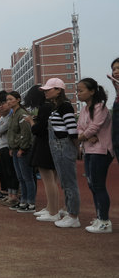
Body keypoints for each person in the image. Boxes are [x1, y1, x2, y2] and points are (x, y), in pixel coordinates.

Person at [41, 78, 81, 228]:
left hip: (64, 147)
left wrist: (77, 149)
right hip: (58, 148)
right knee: (65, 182)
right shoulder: (57, 107)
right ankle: (68, 210)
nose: (46, 92)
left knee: (69, 183)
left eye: (49, 89)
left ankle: (73, 215)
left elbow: (72, 130)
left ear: (59, 90)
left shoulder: (65, 106)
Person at [76, 78, 113, 233]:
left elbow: (94, 127)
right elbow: (79, 128)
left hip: (101, 150)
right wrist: (84, 135)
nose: (78, 94)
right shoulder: (84, 110)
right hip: (89, 150)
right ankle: (99, 217)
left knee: (98, 185)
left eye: (81, 90)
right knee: (92, 185)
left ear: (92, 91)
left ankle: (105, 221)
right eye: (77, 91)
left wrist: (82, 136)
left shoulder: (101, 107)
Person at [23, 86, 61, 222]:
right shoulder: (51, 106)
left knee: (49, 181)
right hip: (51, 145)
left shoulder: (45, 107)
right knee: (52, 180)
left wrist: (31, 121)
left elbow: (39, 129)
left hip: (44, 146)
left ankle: (53, 212)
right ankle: (51, 208)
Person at [6, 91, 36, 213]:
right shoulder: (13, 115)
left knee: (27, 177)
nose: (8, 101)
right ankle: (23, 201)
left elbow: (26, 132)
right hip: (15, 149)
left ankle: (31, 203)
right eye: (7, 99)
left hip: (23, 150)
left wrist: (22, 148)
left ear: (18, 99)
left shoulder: (22, 114)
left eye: (11, 99)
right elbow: (12, 133)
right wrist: (11, 147)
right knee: (20, 177)